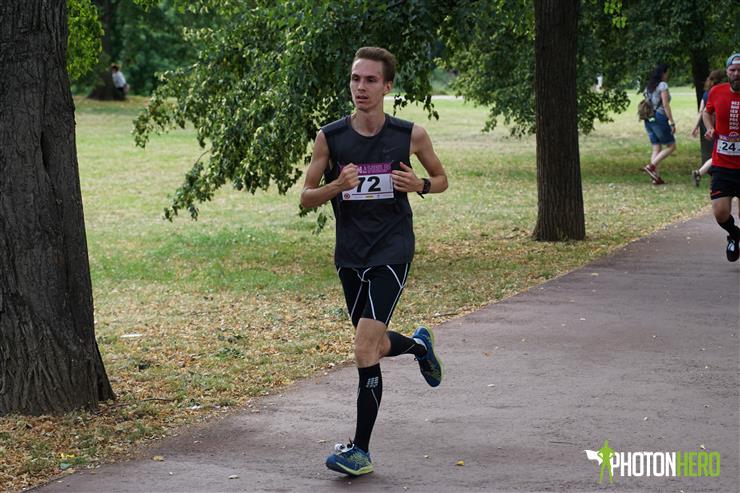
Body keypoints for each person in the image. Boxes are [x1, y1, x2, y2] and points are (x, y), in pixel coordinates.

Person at [300, 46, 448, 477]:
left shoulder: (410, 135)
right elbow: (306, 197)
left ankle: (360, 451)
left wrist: (419, 184)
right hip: (350, 254)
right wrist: (337, 186)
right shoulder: (330, 137)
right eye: (355, 79)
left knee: (364, 347)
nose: (360, 87)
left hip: (392, 250)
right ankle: (419, 346)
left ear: (387, 86)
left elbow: (441, 179)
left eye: (369, 80)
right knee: (376, 345)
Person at [703, 53, 740, 262]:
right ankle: (734, 234)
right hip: (722, 164)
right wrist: (710, 128)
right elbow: (706, 112)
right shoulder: (717, 92)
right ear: (727, 72)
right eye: (732, 70)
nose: (736, 74)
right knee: (720, 212)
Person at [642, 64, 677, 185]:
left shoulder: (648, 87)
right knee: (671, 146)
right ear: (663, 73)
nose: (668, 75)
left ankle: (655, 178)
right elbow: (666, 105)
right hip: (659, 118)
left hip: (648, 118)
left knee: (656, 147)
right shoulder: (662, 85)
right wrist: (672, 122)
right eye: (667, 73)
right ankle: (651, 166)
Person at [691, 70, 726, 186]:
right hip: (718, 127)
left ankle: (701, 173)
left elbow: (701, 112)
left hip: (707, 126)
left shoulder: (706, 93)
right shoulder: (721, 92)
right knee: (718, 154)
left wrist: (696, 127)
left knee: (717, 153)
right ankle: (700, 173)